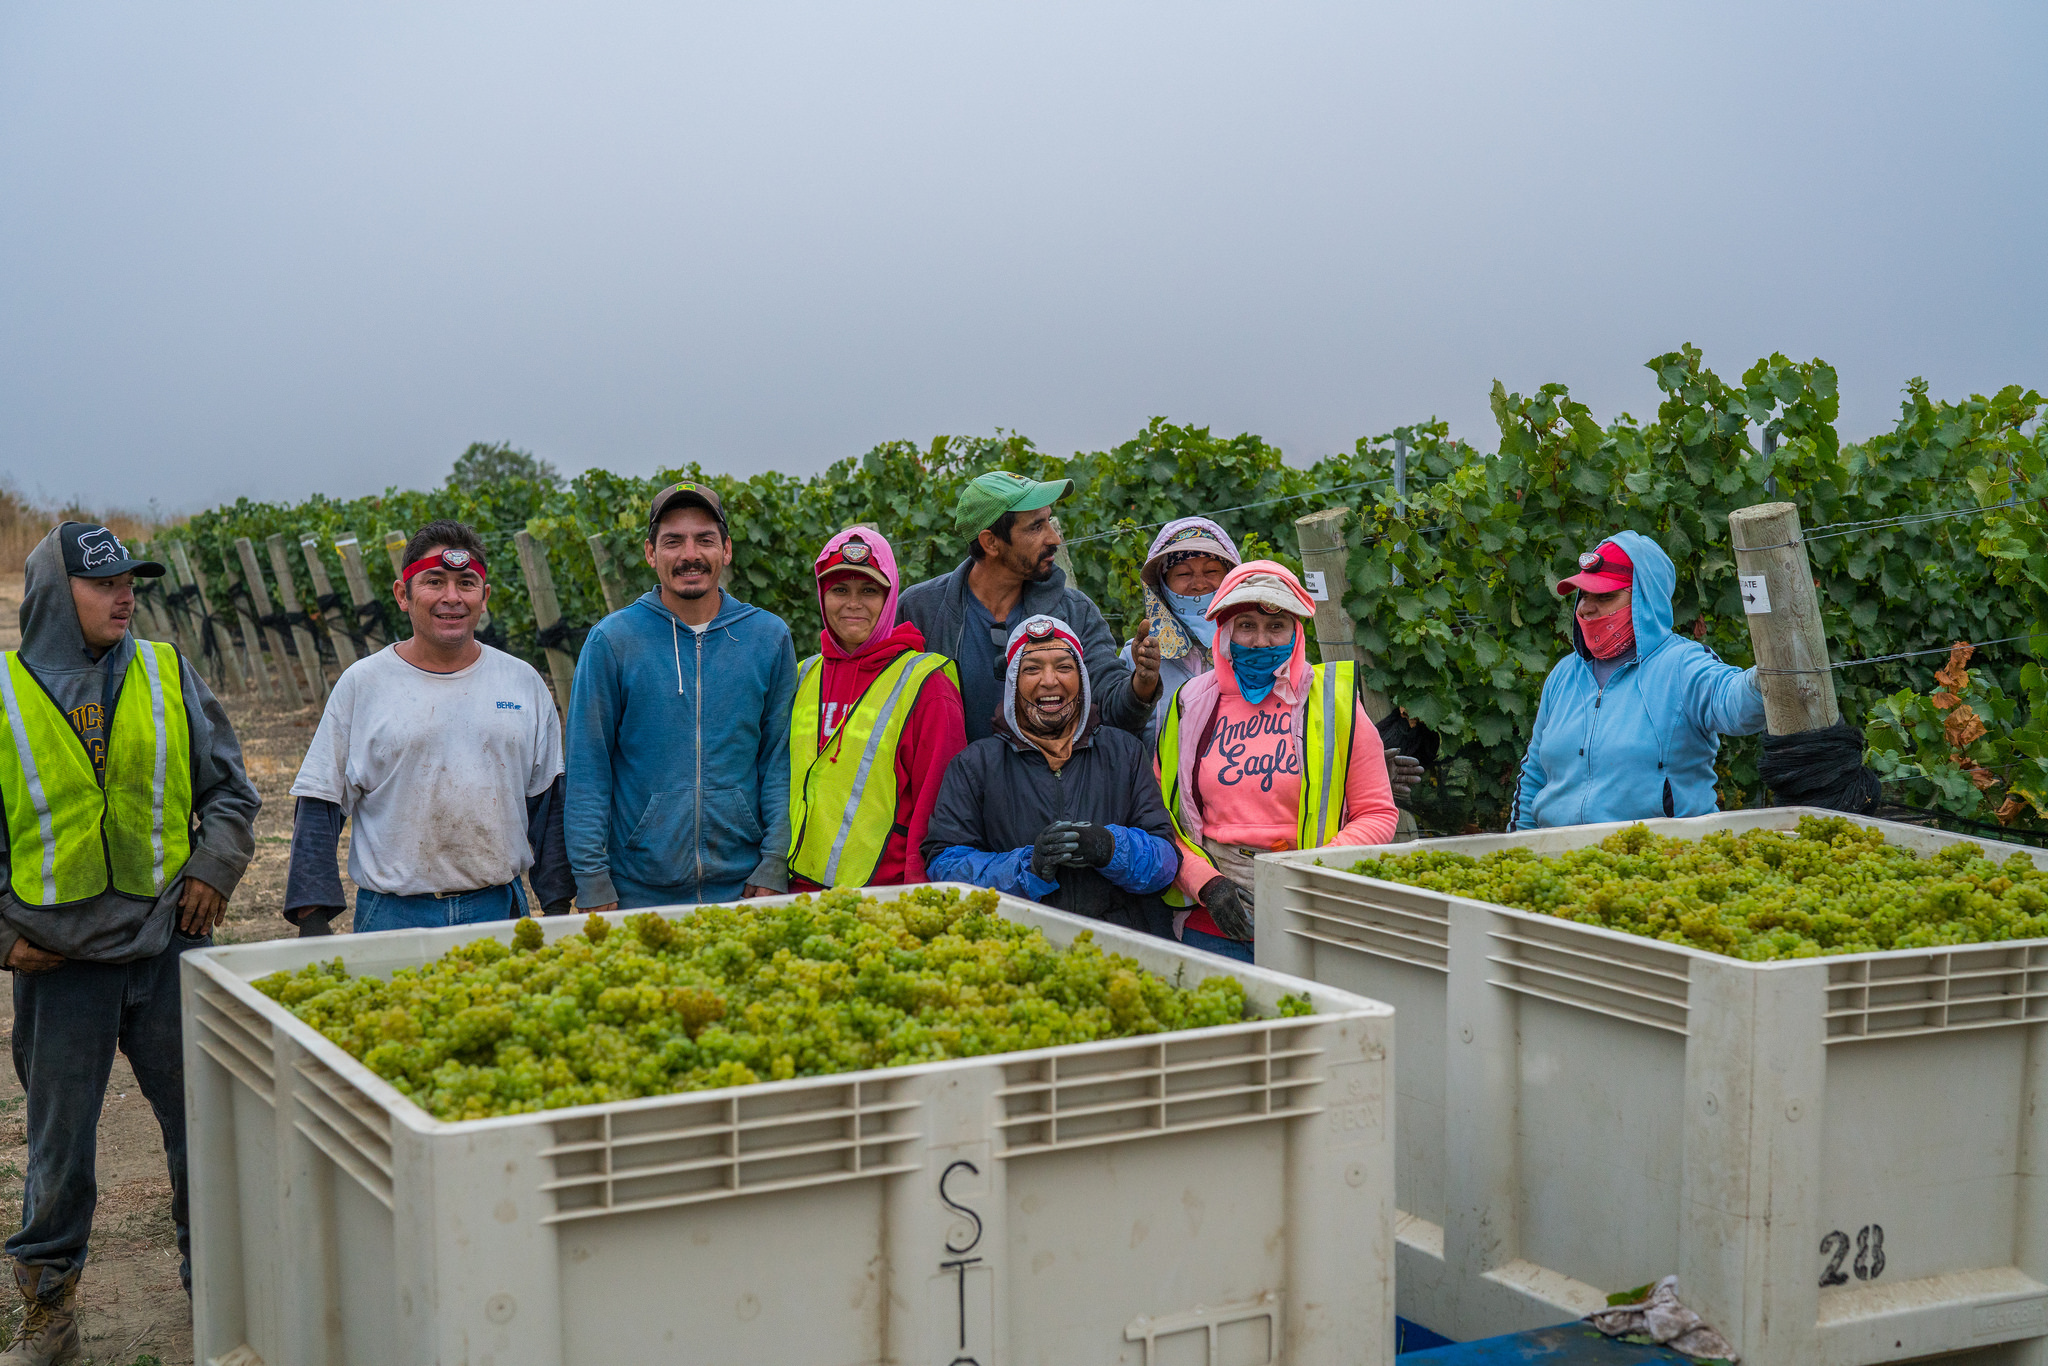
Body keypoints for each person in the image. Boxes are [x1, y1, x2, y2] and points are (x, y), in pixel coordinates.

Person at [0, 523, 258, 1361]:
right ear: (51, 594)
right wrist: (4, 939)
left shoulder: (164, 671)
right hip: (59, 965)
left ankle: (216, 1292)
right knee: (58, 1149)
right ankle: (50, 1309)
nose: (127, 595)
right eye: (103, 584)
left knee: (204, 1133)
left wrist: (214, 869)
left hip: (168, 950)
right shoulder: (3, 695)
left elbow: (231, 792)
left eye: (131, 582)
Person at [283, 520, 574, 935]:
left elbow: (548, 808)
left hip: (500, 909)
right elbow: (320, 802)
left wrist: (558, 906)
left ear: (485, 597)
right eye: (434, 581)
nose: (451, 598)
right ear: (403, 595)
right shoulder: (363, 684)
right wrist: (312, 918)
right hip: (392, 916)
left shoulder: (522, 682)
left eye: (467, 583)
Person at [566, 480, 797, 910]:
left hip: (743, 888)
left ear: (726, 550)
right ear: (651, 553)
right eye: (673, 541)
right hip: (636, 891)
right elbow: (588, 767)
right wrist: (592, 878)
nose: (690, 554)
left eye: (705, 540)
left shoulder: (768, 637)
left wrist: (773, 861)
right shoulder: (613, 641)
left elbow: (778, 760)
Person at [1156, 561, 1399, 962]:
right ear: (1225, 632)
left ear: (1296, 632)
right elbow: (1162, 817)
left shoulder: (1334, 702)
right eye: (1246, 626)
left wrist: (1313, 874)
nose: (1261, 642)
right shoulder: (1189, 704)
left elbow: (1376, 813)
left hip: (1314, 916)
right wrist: (1206, 885)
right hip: (1214, 924)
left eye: (1276, 627)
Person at [923, 615, 1179, 934]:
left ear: (1082, 678)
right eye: (1031, 668)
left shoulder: (1123, 752)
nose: (1049, 680)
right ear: (1013, 682)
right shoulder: (975, 765)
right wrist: (1027, 866)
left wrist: (1110, 847)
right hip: (1015, 947)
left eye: (1063, 666)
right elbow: (944, 867)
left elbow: (1166, 862)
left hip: (1118, 949)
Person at [1513, 531, 1767, 830]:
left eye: (1605, 596)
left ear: (1645, 600)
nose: (1585, 608)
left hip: (1660, 858)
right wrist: (1522, 844)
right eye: (1583, 594)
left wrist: (1771, 671)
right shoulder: (1564, 675)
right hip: (1560, 858)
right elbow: (1534, 776)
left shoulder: (1683, 666)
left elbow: (1737, 705)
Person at [900, 471, 1160, 744]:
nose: (1054, 538)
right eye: (1036, 527)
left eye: (1048, 521)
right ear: (990, 542)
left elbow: (1111, 708)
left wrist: (1140, 687)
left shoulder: (1076, 612)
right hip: (949, 786)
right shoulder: (920, 610)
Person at [787, 528, 966, 890]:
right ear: (822, 597)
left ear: (890, 597)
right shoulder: (802, 675)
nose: (853, 603)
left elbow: (937, 803)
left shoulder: (925, 683)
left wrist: (915, 890)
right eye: (840, 590)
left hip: (882, 897)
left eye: (869, 591)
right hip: (794, 890)